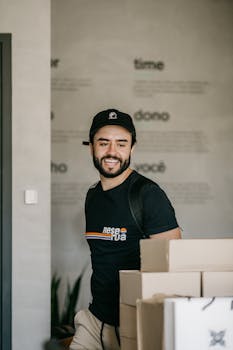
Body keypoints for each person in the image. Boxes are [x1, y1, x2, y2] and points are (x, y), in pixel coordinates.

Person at [70, 109, 181, 350]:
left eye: (121, 144)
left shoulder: (148, 195)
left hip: (133, 322)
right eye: (103, 143)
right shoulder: (93, 196)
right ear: (91, 146)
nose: (112, 152)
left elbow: (174, 265)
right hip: (95, 318)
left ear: (132, 148)